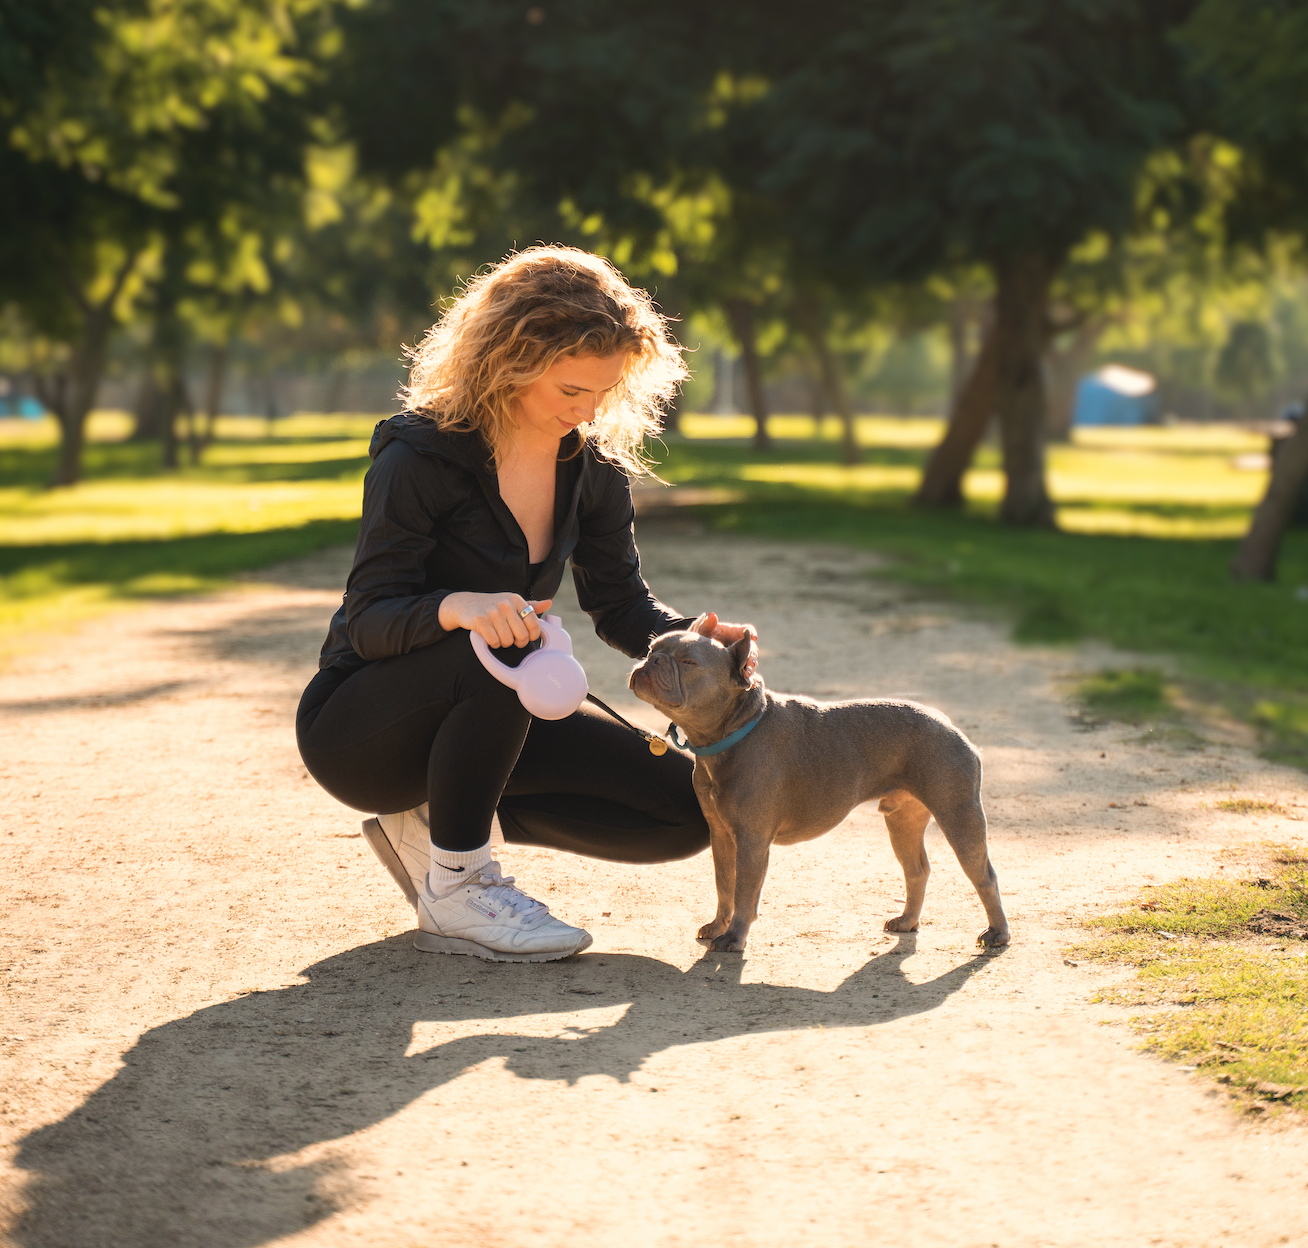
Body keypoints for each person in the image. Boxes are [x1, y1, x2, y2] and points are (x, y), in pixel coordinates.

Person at [296, 246, 756, 964]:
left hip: (490, 713)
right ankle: (458, 885)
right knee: (503, 644)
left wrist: (693, 637)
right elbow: (372, 617)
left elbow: (620, 605)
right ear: (508, 363)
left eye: (603, 392)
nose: (589, 410)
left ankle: (437, 826)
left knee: (684, 809)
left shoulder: (592, 473)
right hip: (361, 733)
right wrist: (459, 607)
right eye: (571, 390)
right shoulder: (417, 457)